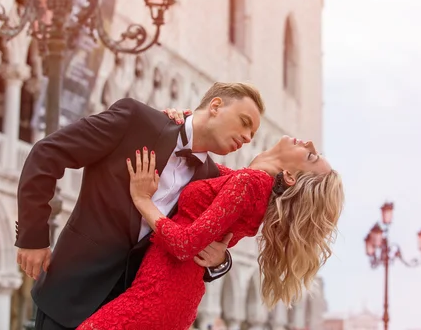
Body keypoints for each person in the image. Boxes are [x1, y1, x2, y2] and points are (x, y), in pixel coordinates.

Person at [14, 82, 265, 330]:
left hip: (132, 313)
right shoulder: (136, 121)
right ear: (216, 106)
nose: (246, 138)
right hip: (70, 293)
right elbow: (48, 153)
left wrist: (220, 261)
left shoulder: (211, 179)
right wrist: (32, 237)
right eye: (244, 122)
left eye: (252, 135)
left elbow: (191, 243)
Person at [77, 133, 344, 329]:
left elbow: (185, 244)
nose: (309, 143)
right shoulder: (252, 183)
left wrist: (142, 200)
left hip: (158, 295)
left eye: (311, 155)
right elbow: (199, 172)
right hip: (172, 296)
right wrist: (179, 120)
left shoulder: (250, 183)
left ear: (289, 176)